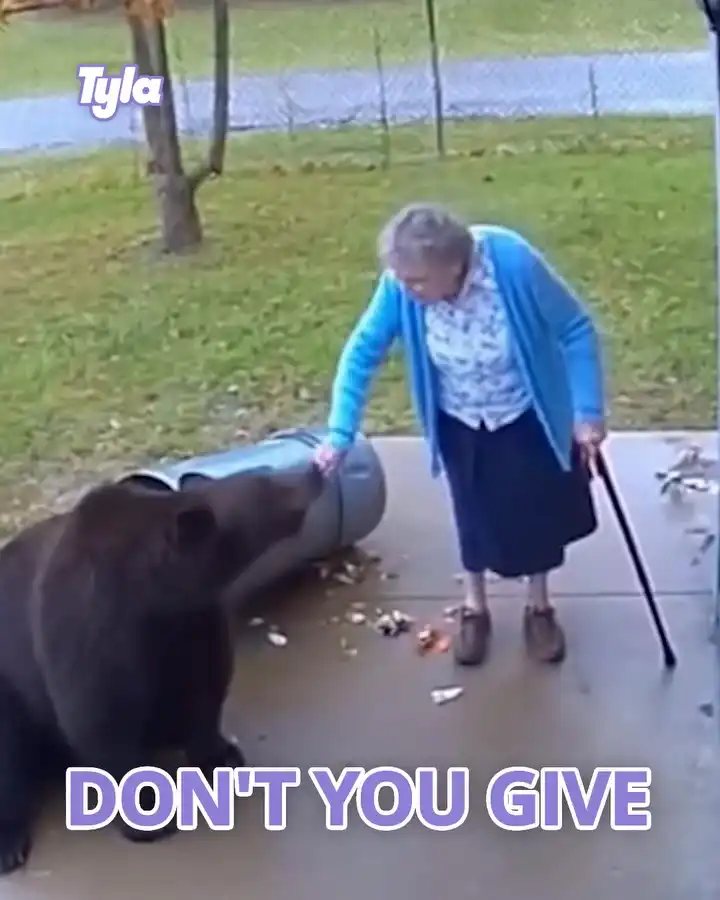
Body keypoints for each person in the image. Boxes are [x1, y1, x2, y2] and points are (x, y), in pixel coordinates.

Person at [314, 203, 606, 667]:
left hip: (523, 410)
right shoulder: (401, 287)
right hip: (458, 417)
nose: (406, 289)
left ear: (453, 265)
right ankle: (475, 608)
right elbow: (362, 351)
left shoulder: (512, 263)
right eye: (401, 279)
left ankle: (539, 607)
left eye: (417, 281)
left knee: (533, 513)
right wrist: (340, 432)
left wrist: (587, 411)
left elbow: (575, 328)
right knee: (471, 511)